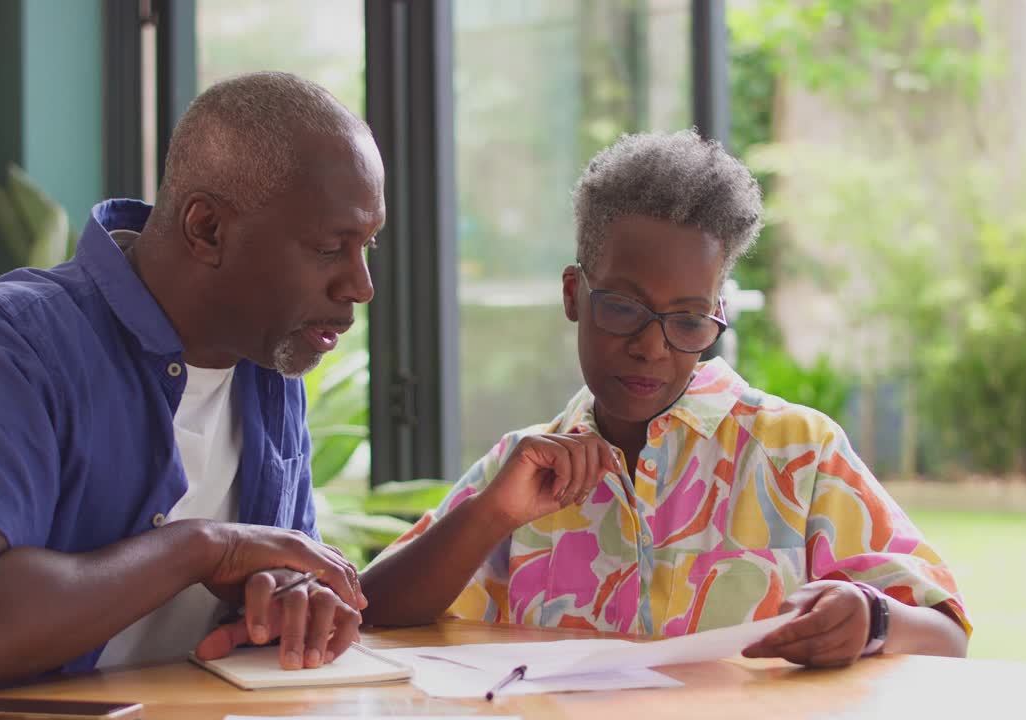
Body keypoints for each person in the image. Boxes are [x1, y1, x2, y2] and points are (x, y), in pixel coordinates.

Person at [0, 71, 386, 696]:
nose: (360, 285)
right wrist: (201, 549)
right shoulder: (5, 344)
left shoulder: (268, 364)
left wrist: (290, 601)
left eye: (367, 246)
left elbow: (275, 583)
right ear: (208, 230)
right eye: (331, 248)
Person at [361, 129, 969, 667]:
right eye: (624, 308)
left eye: (688, 320)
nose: (652, 347)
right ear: (575, 294)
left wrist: (873, 620)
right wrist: (492, 513)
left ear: (718, 315)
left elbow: (948, 634)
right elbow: (370, 614)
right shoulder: (522, 471)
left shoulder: (797, 455)